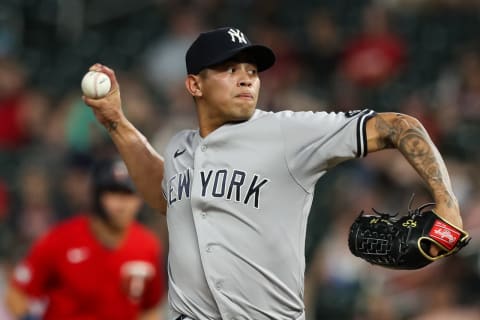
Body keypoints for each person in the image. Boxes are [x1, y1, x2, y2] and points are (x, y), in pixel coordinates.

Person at [82, 27, 464, 320]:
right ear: (194, 84)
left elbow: (399, 126)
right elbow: (163, 198)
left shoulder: (287, 133)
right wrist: (115, 122)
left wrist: (447, 203)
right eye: (229, 69)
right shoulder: (179, 146)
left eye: (251, 70)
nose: (247, 78)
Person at [4, 157, 166, 320]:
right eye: (113, 193)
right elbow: (16, 296)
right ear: (97, 197)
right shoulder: (60, 239)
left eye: (129, 194)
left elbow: (150, 309)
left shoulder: (148, 245)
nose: (122, 204)